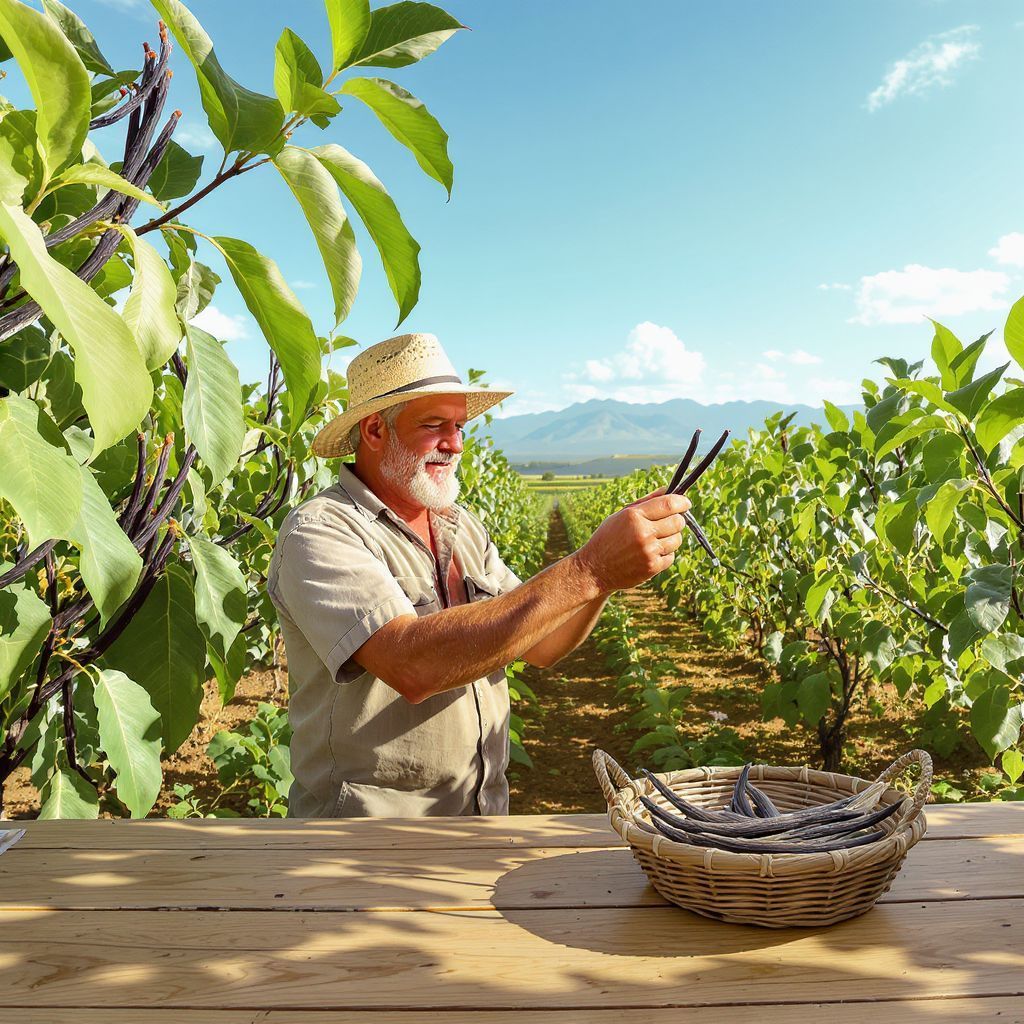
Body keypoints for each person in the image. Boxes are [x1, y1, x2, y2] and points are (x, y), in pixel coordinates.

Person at [267, 333, 691, 817]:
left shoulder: (461, 526)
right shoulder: (320, 531)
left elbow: (544, 645)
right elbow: (411, 663)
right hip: (366, 837)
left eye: (460, 427)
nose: (454, 443)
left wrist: (610, 575)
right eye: (434, 425)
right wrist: (590, 567)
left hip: (481, 816)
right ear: (374, 431)